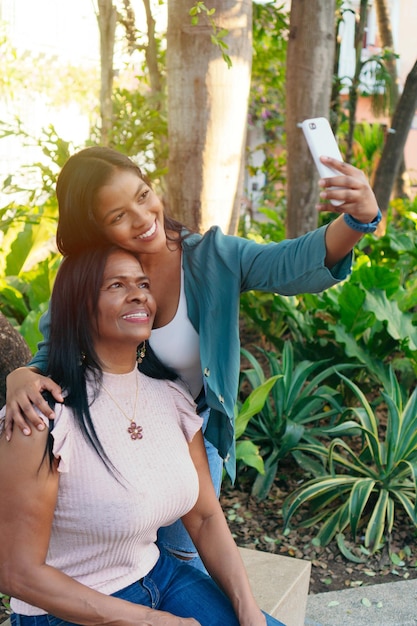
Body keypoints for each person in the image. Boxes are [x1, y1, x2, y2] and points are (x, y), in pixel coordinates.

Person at [4, 145, 381, 569]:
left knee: (186, 561)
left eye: (143, 196)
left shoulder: (214, 258)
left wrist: (357, 219)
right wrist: (21, 374)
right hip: (116, 442)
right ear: (95, 227)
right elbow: (56, 352)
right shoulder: (90, 275)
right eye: (118, 216)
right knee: (125, 566)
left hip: (191, 439)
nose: (143, 218)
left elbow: (290, 263)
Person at [0, 244, 284, 626]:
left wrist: (247, 607)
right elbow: (16, 573)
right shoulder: (44, 415)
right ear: (79, 307)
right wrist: (148, 620)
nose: (139, 294)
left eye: (143, 283)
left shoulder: (173, 398)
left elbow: (204, 518)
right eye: (116, 285)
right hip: (64, 611)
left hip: (160, 577)